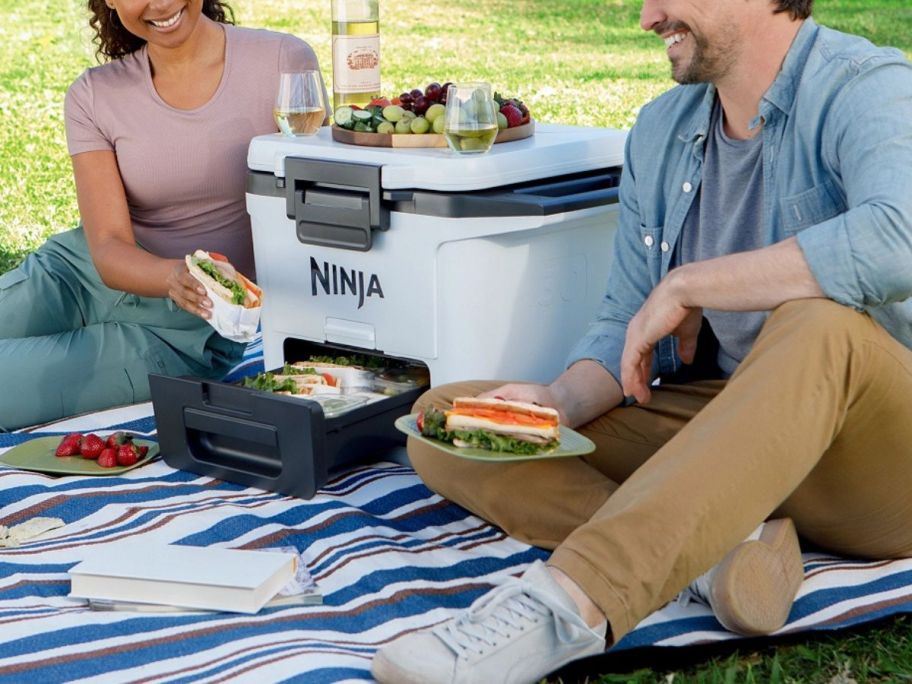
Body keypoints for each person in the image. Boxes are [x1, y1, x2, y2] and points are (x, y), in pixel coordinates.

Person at [371, 0, 912, 681]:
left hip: (881, 459)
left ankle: (567, 605)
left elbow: (900, 241)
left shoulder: (868, 85)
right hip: (744, 442)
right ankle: (717, 557)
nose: (647, 17)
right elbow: (628, 316)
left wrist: (693, 283)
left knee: (818, 320)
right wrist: (559, 401)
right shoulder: (663, 128)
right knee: (453, 421)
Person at [0, 0, 325, 431]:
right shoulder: (94, 94)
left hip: (187, 326)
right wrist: (174, 275)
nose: (160, 3)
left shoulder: (282, 62)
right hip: (79, 277)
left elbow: (318, 198)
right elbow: (108, 245)